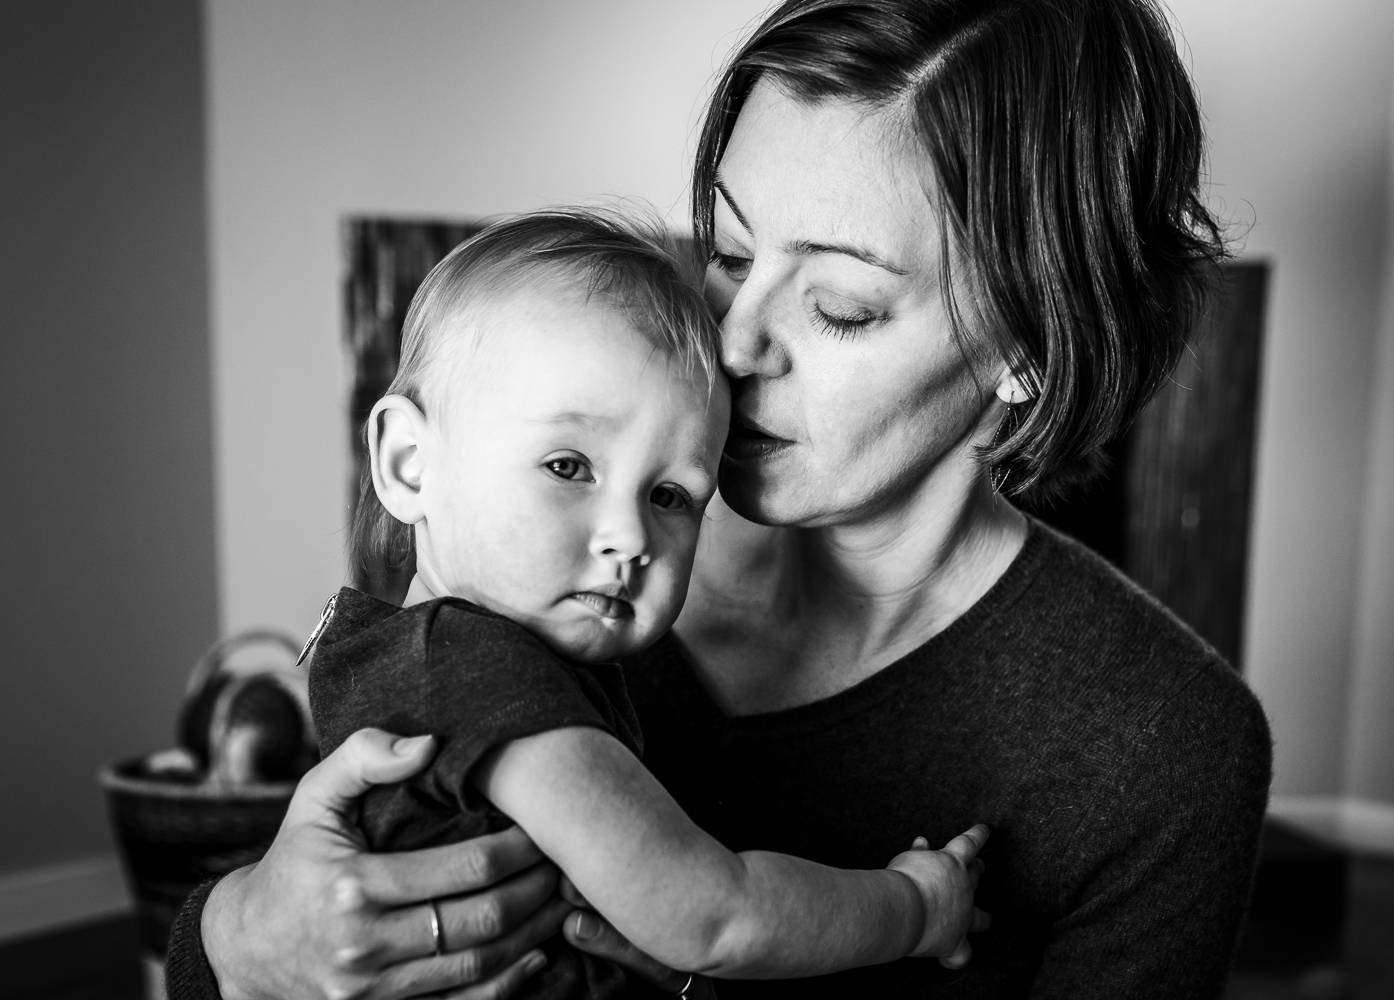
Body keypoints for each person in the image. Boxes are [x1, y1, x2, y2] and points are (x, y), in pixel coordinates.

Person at [168, 1, 1272, 997]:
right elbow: (311, 900)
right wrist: (236, 939)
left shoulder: (1164, 746)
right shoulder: (525, 535)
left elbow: (713, 921)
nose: (736, 343)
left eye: (840, 305)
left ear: (1026, 348)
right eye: (734, 251)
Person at [306, 208, 988, 999]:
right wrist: (913, 907)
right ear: (408, 464)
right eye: (567, 466)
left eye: (670, 494)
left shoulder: (445, 662)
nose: (629, 535)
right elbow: (713, 917)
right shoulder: (476, 671)